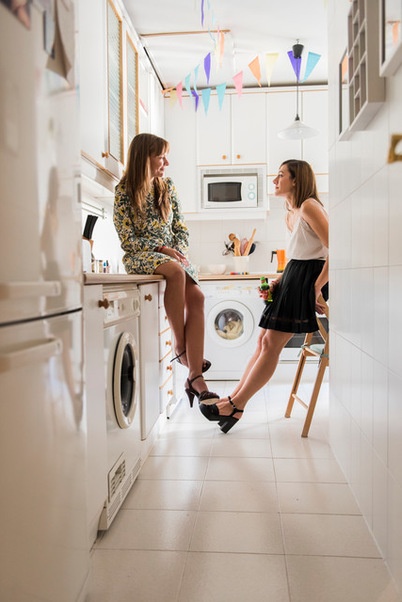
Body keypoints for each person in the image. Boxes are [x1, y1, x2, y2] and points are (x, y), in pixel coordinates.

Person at [199, 159, 329, 432]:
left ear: (296, 180)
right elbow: (297, 257)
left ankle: (237, 405)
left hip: (309, 280)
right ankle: (233, 400)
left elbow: (336, 249)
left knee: (270, 343)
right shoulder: (290, 212)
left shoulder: (309, 206)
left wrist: (316, 286)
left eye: (281, 175)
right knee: (262, 341)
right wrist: (276, 282)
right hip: (294, 278)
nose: (275, 180)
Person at [113, 133, 218, 406]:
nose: (166, 162)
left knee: (198, 297)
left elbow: (180, 226)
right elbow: (128, 240)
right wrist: (162, 250)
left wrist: (178, 250)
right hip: (141, 256)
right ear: (144, 157)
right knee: (175, 271)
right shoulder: (123, 191)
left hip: (172, 256)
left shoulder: (166, 186)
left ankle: (194, 376)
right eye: (161, 156)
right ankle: (181, 349)